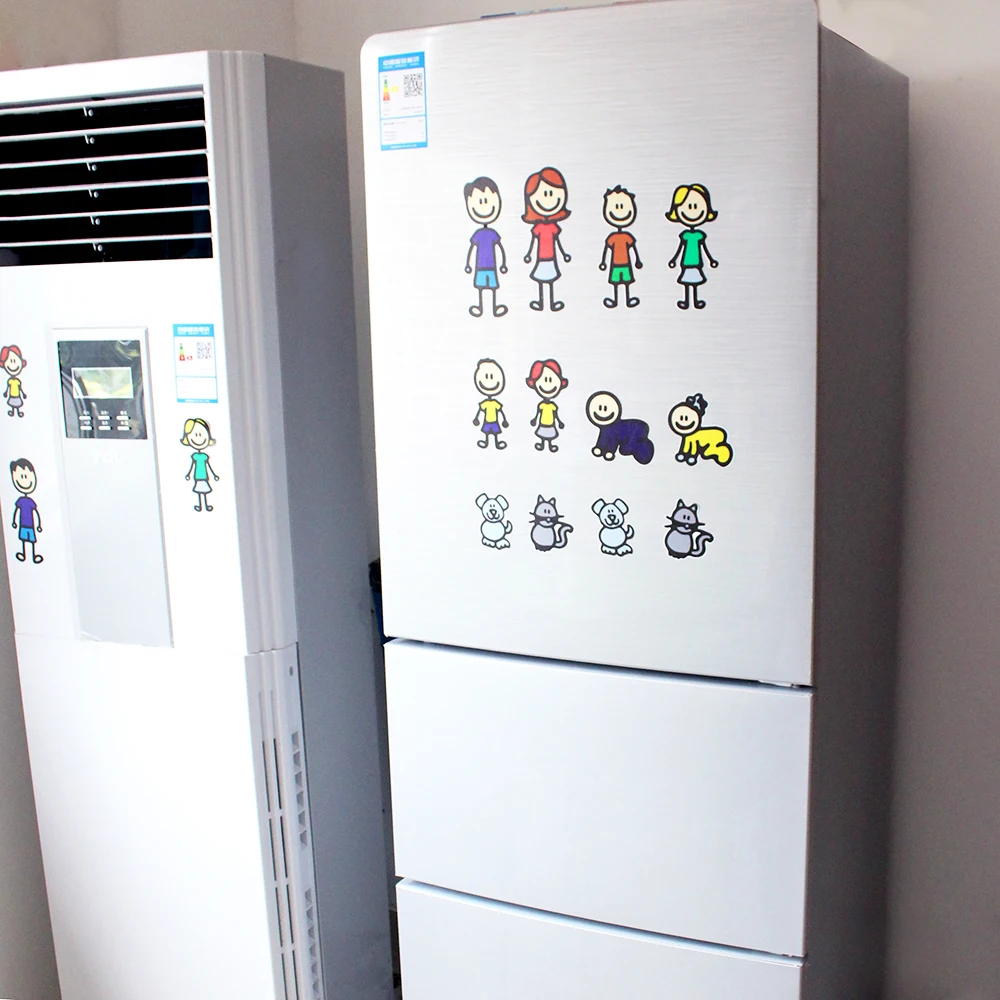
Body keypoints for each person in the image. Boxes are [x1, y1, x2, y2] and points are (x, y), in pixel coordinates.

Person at [522, 167, 572, 312]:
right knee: (540, 279)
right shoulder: (538, 227)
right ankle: (541, 302)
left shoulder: (553, 227)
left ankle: (551, 302)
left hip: (551, 258)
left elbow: (558, 242)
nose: (548, 198)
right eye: (544, 194)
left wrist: (563, 254)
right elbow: (533, 242)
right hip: (541, 258)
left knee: (550, 279)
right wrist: (529, 254)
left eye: (552, 193)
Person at [666, 183, 719, 310]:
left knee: (694, 282)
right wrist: (674, 259)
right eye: (688, 206)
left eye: (696, 206)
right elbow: (680, 249)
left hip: (696, 262)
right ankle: (686, 301)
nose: (692, 210)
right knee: (686, 281)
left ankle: (695, 301)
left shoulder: (699, 235)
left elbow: (704, 249)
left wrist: (711, 260)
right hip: (686, 262)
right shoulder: (685, 235)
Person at [464, 177, 508, 318]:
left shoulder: (492, 233)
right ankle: (481, 307)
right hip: (480, 267)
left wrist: (503, 264)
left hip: (491, 267)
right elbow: (471, 249)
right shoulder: (478, 234)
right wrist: (468, 264)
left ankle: (494, 307)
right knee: (481, 287)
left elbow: (500, 248)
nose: (484, 205)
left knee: (493, 287)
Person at [599, 186, 642, 308]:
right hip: (615, 264)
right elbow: (606, 250)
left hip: (626, 264)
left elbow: (633, 248)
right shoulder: (612, 237)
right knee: (616, 283)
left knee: (627, 282)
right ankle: (615, 300)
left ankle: (628, 300)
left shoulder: (627, 236)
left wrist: (637, 260)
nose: (619, 210)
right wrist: (603, 262)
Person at [525, 359, 568, 452]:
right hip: (543, 423)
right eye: (545, 380)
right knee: (543, 435)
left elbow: (556, 415)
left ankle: (550, 445)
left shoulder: (552, 406)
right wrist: (535, 420)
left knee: (550, 435)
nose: (548, 383)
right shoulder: (542, 405)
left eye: (551, 380)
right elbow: (538, 413)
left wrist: (559, 422)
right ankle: (542, 444)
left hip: (550, 424)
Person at [181, 417, 220, 512]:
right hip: (197, 476)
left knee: (205, 491)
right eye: (195, 434)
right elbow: (192, 466)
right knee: (199, 491)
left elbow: (208, 466)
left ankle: (206, 505)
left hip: (204, 476)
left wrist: (214, 475)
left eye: (201, 434)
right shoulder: (195, 456)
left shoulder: (204, 456)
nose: (198, 436)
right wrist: (188, 474)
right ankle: (201, 506)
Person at [10, 458, 42, 563]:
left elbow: (36, 513)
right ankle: (24, 554)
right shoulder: (20, 500)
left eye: (26, 476)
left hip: (30, 525)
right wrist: (14, 522)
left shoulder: (31, 502)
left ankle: (33, 555)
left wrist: (39, 525)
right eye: (21, 476)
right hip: (23, 524)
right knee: (23, 539)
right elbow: (16, 511)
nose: (24, 479)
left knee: (32, 540)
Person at [472, 359, 509, 449]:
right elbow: (480, 411)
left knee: (495, 433)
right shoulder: (485, 403)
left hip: (494, 421)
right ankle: (486, 442)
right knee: (487, 433)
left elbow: (500, 411)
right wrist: (476, 418)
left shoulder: (495, 403)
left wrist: (504, 420)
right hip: (487, 421)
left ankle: (497, 443)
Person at [2, 345, 27, 417]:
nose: (12, 363)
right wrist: (6, 393)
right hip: (12, 395)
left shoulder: (17, 381)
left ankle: (18, 412)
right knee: (13, 404)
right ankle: (13, 412)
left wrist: (23, 394)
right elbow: (8, 387)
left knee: (17, 404)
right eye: (10, 361)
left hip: (17, 395)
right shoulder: (10, 381)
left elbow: (20, 388)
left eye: (15, 361)